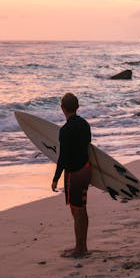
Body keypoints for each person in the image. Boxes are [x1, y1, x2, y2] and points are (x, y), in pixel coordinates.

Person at [51, 92, 91, 257]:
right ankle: (83, 246)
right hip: (86, 169)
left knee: (77, 211)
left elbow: (63, 157)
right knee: (82, 209)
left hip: (73, 173)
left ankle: (79, 249)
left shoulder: (65, 131)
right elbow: (88, 145)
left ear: (62, 108)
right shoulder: (85, 124)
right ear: (77, 107)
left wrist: (55, 178)